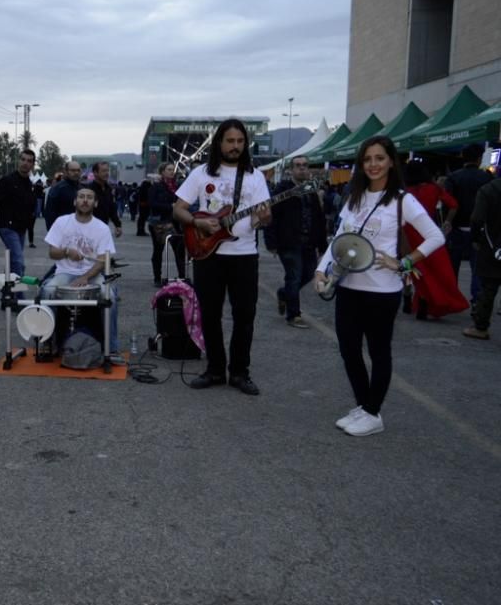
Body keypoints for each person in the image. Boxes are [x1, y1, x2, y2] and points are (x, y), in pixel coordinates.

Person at [315, 136, 445, 437]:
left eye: (379, 158)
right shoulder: (354, 198)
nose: (373, 164)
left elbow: (436, 236)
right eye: (367, 159)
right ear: (361, 164)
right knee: (349, 349)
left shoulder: (402, 200)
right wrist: (320, 271)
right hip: (348, 285)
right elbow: (338, 240)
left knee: (378, 351)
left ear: (390, 162)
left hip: (382, 291)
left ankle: (373, 413)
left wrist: (404, 263)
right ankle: (363, 406)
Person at [173, 119, 271, 396]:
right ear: (219, 143)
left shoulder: (255, 177)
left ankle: (240, 372)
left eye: (240, 141)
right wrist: (197, 222)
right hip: (208, 254)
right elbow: (178, 209)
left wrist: (264, 219)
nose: (235, 146)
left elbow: (264, 216)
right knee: (210, 314)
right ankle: (215, 369)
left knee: (245, 316)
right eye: (230, 141)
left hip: (244, 255)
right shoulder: (201, 173)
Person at [42, 186, 123, 364]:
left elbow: (103, 260)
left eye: (89, 198)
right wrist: (66, 252)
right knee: (47, 291)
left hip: (92, 274)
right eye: (81, 197)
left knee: (109, 296)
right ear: (75, 201)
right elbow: (52, 253)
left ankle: (112, 347)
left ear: (95, 203)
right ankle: (48, 342)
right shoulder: (62, 222)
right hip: (65, 272)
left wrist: (85, 277)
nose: (85, 200)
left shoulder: (101, 228)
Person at [264, 156, 327, 328]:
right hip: (289, 242)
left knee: (308, 274)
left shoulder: (310, 190)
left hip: (309, 242)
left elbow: (319, 218)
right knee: (294, 276)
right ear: (291, 170)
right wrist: (271, 242)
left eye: (305, 165)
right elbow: (272, 217)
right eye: (298, 166)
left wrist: (323, 246)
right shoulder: (282, 190)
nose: (302, 168)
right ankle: (294, 314)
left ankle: (284, 294)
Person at [402, 161, 465, 320]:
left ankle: (407, 299)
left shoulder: (404, 192)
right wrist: (447, 223)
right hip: (427, 232)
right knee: (430, 270)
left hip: (407, 234)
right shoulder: (434, 189)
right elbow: (454, 204)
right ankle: (425, 299)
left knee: (408, 266)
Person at [445, 144, 492, 304]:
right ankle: (476, 301)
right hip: (479, 229)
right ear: (479, 159)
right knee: (477, 268)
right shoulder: (486, 178)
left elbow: (448, 202)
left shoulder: (453, 177)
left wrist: (447, 222)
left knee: (452, 267)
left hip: (456, 227)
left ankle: (450, 298)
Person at [0, 150, 37, 276]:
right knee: (18, 262)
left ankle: (7, 289)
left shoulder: (30, 184)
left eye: (29, 161)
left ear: (33, 165)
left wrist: (29, 224)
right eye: (23, 159)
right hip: (7, 227)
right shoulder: (7, 181)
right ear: (18, 161)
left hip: (21, 229)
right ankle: (19, 295)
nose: (25, 163)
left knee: (13, 263)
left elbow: (30, 207)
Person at [463, 174, 501, 340]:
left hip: (492, 243)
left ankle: (480, 327)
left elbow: (477, 218)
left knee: (488, 287)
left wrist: (475, 239)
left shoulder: (489, 190)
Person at [148, 161, 186, 285]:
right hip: (160, 223)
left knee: (179, 250)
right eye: (169, 169)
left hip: (175, 222)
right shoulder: (156, 186)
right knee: (159, 250)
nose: (172, 172)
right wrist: (170, 206)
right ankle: (157, 277)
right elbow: (152, 204)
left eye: (172, 169)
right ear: (162, 172)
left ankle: (182, 277)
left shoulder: (177, 186)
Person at [86, 161, 123, 238]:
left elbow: (112, 209)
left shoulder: (108, 189)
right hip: (88, 229)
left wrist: (117, 225)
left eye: (107, 170)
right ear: (95, 173)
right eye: (103, 171)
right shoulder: (88, 190)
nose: (107, 173)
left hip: (103, 228)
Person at [44, 160, 82, 229]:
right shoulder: (58, 189)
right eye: (73, 170)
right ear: (66, 172)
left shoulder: (82, 188)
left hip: (79, 230)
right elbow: (50, 212)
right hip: (62, 230)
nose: (76, 173)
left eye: (78, 170)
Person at [29, 179, 45, 248]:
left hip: (28, 212)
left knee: (29, 228)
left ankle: (30, 242)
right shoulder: (35, 193)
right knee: (31, 228)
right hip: (32, 213)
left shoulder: (32, 193)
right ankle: (31, 242)